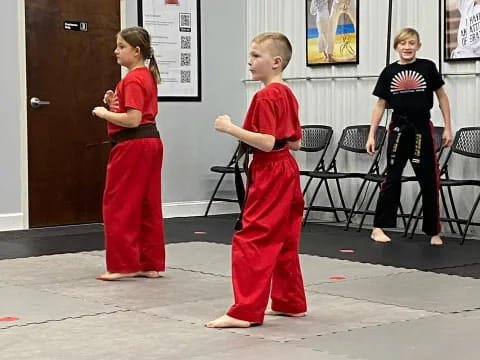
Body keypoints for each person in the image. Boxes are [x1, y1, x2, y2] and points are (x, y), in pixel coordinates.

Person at [206, 32, 307, 328]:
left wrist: (230, 128)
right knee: (285, 238)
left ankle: (245, 311)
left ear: (276, 62)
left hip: (271, 169)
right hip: (287, 168)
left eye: (256, 56)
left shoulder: (265, 96)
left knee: (253, 237)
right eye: (249, 56)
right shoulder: (287, 93)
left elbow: (265, 141)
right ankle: (290, 302)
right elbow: (296, 142)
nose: (249, 61)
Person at [366, 27, 453, 246]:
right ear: (396, 46)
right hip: (398, 129)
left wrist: (449, 127)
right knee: (392, 178)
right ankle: (378, 227)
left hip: (421, 129)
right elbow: (380, 105)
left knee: (430, 181)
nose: (407, 47)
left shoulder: (427, 67)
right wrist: (371, 135)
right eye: (403, 43)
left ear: (418, 46)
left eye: (412, 43)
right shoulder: (388, 72)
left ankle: (434, 232)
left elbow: (442, 97)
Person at [92, 27, 166, 280]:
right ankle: (150, 263)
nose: (116, 51)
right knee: (147, 202)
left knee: (119, 203)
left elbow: (133, 120)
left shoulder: (133, 79)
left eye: (121, 46)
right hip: (150, 143)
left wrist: (103, 113)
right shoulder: (145, 77)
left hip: (133, 145)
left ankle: (123, 265)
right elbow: (136, 111)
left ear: (136, 51)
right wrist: (115, 101)